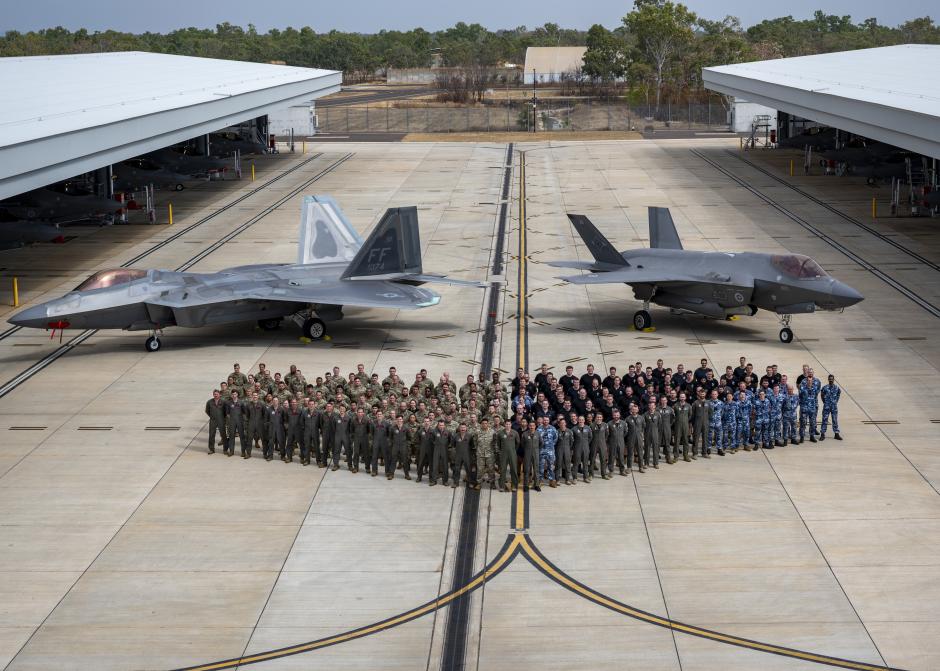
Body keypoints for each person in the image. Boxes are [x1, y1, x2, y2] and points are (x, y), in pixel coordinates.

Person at [496, 419, 520, 492]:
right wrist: (503, 450)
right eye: (506, 424)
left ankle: (514, 486)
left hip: (512, 453)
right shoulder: (500, 433)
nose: (508, 425)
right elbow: (498, 444)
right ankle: (502, 486)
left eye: (509, 424)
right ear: (504, 425)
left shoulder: (515, 433)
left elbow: (517, 443)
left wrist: (513, 450)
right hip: (503, 454)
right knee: (503, 470)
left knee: (514, 470)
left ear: (511, 425)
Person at [799, 370, 821, 443]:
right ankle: (802, 437)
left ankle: (812, 436)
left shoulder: (814, 388)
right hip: (804, 408)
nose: (809, 381)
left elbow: (817, 394)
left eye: (810, 381)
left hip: (812, 408)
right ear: (806, 381)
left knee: (812, 422)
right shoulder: (802, 388)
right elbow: (800, 396)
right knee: (803, 423)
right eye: (808, 380)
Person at [475, 418, 497, 490]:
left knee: (491, 469)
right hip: (480, 454)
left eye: (486, 423)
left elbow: (495, 442)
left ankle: (492, 483)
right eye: (483, 423)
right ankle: (479, 483)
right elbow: (475, 442)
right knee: (480, 469)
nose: (484, 425)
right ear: (481, 424)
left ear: (488, 424)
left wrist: (494, 451)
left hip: (490, 454)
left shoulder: (492, 432)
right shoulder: (477, 432)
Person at [536, 416, 558, 487]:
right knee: (541, 466)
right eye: (544, 420)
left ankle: (551, 480)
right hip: (541, 450)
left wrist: (550, 445)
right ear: (542, 421)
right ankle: (540, 480)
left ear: (549, 421)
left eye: (547, 420)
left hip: (550, 451)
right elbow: (537, 439)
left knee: (551, 466)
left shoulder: (553, 428)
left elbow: (555, 438)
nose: (545, 421)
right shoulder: (539, 429)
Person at [224, 391, 247, 458]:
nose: (234, 395)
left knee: (242, 437)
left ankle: (243, 452)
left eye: (235, 394)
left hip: (240, 421)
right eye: (233, 394)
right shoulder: (229, 403)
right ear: (231, 395)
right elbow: (227, 413)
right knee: (231, 437)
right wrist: (231, 420)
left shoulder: (241, 402)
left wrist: (243, 420)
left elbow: (244, 412)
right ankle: (231, 451)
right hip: (232, 422)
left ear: (237, 395)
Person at [521, 420, 542, 491]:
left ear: (535, 426)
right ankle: (526, 485)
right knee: (526, 470)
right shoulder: (524, 434)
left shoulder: (538, 434)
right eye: (530, 426)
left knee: (536, 470)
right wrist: (527, 449)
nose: (531, 427)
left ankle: (536, 485)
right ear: (528, 426)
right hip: (527, 453)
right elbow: (522, 444)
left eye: (533, 426)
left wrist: (536, 449)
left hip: (536, 453)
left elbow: (541, 443)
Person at [820, 374, 842, 441]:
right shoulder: (825, 387)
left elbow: (838, 394)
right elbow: (822, 395)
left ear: (834, 380)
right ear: (828, 379)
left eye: (832, 379)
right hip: (826, 406)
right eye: (830, 379)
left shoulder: (837, 388)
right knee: (824, 420)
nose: (831, 380)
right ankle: (822, 434)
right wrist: (825, 402)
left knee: (834, 420)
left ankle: (836, 434)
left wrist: (835, 401)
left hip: (834, 407)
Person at [430, 419, 452, 486]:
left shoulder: (448, 432)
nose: (441, 426)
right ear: (438, 425)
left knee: (445, 466)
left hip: (444, 450)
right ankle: (434, 481)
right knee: (435, 465)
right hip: (436, 450)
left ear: (444, 425)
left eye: (442, 425)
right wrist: (436, 444)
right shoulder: (434, 431)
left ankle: (445, 481)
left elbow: (450, 441)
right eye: (440, 425)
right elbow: (432, 440)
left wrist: (446, 446)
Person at [451, 422, 474, 488]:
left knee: (468, 470)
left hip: (467, 456)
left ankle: (470, 483)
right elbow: (453, 445)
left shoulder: (469, 436)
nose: (463, 429)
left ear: (466, 428)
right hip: (458, 455)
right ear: (459, 428)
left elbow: (472, 446)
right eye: (461, 427)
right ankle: (456, 483)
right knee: (457, 469)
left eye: (464, 427)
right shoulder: (455, 436)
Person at [205, 389, 226, 455]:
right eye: (214, 394)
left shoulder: (223, 402)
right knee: (211, 435)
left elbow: (226, 411)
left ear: (220, 394)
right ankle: (211, 449)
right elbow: (207, 411)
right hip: (213, 420)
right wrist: (212, 416)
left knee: (223, 435)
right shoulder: (209, 402)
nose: (215, 395)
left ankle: (225, 450)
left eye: (217, 394)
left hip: (221, 420)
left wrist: (223, 418)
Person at [691, 389, 711, 458]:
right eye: (701, 394)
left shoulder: (708, 402)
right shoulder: (695, 403)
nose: (702, 395)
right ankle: (695, 453)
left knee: (705, 438)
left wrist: (708, 421)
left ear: (705, 394)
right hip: (697, 423)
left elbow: (711, 413)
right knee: (695, 438)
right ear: (699, 394)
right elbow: (692, 414)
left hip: (705, 423)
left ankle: (704, 453)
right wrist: (693, 424)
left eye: (703, 394)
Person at [607, 410, 628, 477]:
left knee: (621, 457)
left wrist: (620, 437)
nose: (616, 416)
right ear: (613, 416)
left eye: (617, 415)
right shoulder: (609, 423)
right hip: (612, 442)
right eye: (615, 415)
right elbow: (607, 434)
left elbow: (625, 432)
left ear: (619, 415)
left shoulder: (623, 423)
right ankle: (611, 471)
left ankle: (622, 470)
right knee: (611, 457)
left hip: (621, 442)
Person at [572, 416, 592, 483]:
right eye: (579, 420)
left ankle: (585, 477)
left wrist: (586, 443)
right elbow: (572, 439)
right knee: (576, 463)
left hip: (586, 448)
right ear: (577, 420)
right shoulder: (574, 429)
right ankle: (575, 478)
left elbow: (590, 437)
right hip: (577, 448)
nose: (581, 421)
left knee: (585, 463)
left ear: (584, 420)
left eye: (582, 420)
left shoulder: (588, 428)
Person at [390, 415, 411, 479]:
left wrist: (406, 445)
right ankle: (391, 474)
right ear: (396, 420)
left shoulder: (406, 428)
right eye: (398, 419)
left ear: (402, 420)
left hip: (403, 447)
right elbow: (390, 437)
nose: (399, 420)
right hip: (395, 447)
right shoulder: (393, 428)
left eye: (400, 419)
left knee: (405, 461)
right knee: (393, 461)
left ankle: (407, 475)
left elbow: (409, 437)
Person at [555, 418, 575, 485]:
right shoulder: (556, 432)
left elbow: (571, 442)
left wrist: (569, 449)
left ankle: (567, 479)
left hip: (567, 450)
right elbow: (555, 442)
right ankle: (557, 480)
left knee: (567, 465)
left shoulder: (569, 431)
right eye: (561, 423)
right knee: (558, 465)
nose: (562, 424)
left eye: (564, 423)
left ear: (565, 423)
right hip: (559, 450)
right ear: (559, 424)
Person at [673, 393, 692, 462]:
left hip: (685, 425)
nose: (682, 398)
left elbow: (690, 415)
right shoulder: (675, 405)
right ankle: (676, 456)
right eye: (681, 397)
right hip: (677, 425)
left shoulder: (689, 406)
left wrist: (685, 421)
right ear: (679, 398)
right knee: (676, 441)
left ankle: (685, 455)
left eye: (683, 397)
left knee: (686, 441)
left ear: (685, 397)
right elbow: (673, 415)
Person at [643, 400, 661, 469]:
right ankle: (646, 463)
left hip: (655, 434)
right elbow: (643, 424)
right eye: (650, 405)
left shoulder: (658, 414)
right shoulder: (645, 414)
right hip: (647, 434)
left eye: (653, 406)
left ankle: (655, 463)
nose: (651, 407)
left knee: (655, 449)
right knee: (647, 449)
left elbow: (660, 425)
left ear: (655, 406)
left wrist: (657, 433)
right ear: (648, 406)